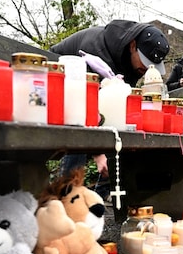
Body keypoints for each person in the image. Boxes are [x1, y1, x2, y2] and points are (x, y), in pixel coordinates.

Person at [50, 21, 170, 187]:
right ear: (133, 45)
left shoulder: (131, 63)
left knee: (122, 142)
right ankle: (66, 192)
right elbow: (86, 104)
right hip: (55, 91)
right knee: (78, 133)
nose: (146, 67)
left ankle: (99, 201)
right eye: (145, 60)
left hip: (86, 103)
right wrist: (99, 153)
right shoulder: (97, 49)